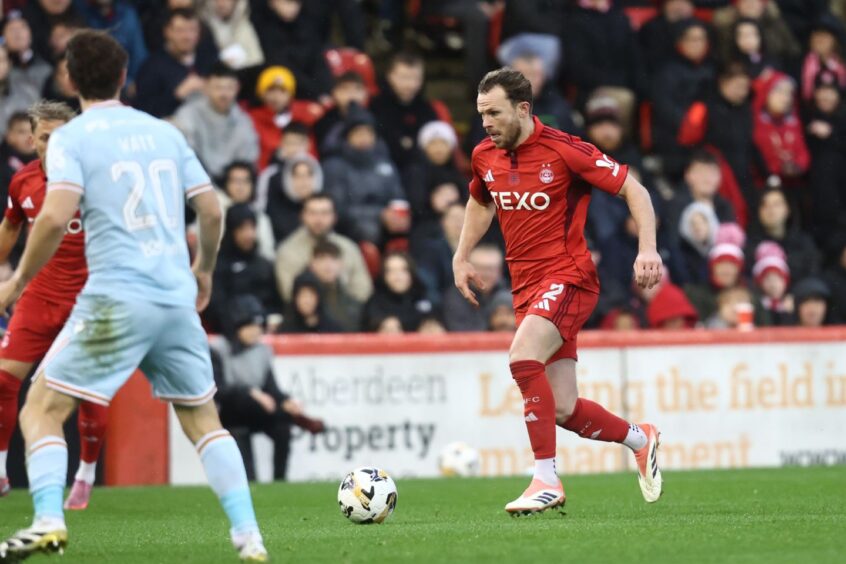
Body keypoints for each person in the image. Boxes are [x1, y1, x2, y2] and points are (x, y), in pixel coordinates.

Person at [0, 31, 267, 561]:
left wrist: (14, 281)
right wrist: (204, 272)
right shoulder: (164, 131)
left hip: (117, 298)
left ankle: (49, 519)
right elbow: (212, 211)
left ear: (71, 79)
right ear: (124, 76)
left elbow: (54, 217)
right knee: (202, 420)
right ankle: (249, 538)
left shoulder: (74, 137)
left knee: (41, 408)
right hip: (175, 298)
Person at [453, 68, 663, 515]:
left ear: (523, 109)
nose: (486, 122)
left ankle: (545, 478)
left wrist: (647, 249)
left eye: (494, 113)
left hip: (569, 278)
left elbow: (635, 190)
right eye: (481, 114)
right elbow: (479, 200)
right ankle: (639, 438)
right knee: (564, 408)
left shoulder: (565, 151)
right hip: (527, 289)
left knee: (521, 357)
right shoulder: (483, 156)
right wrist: (461, 254)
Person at [0, 100, 108, 510]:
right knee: (3, 381)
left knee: (90, 394)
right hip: (40, 296)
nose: (56, 145)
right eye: (47, 137)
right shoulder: (22, 183)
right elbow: (11, 228)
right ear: (32, 140)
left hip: (90, 300)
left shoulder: (99, 181)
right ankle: (0, 472)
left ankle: (85, 475)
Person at [172, 62, 259, 180]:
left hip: (232, 185)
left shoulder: (244, 122)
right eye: (218, 87)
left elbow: (248, 163)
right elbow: (183, 157)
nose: (224, 94)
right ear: (206, 87)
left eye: (229, 88)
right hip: (196, 182)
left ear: (237, 88)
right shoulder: (188, 115)